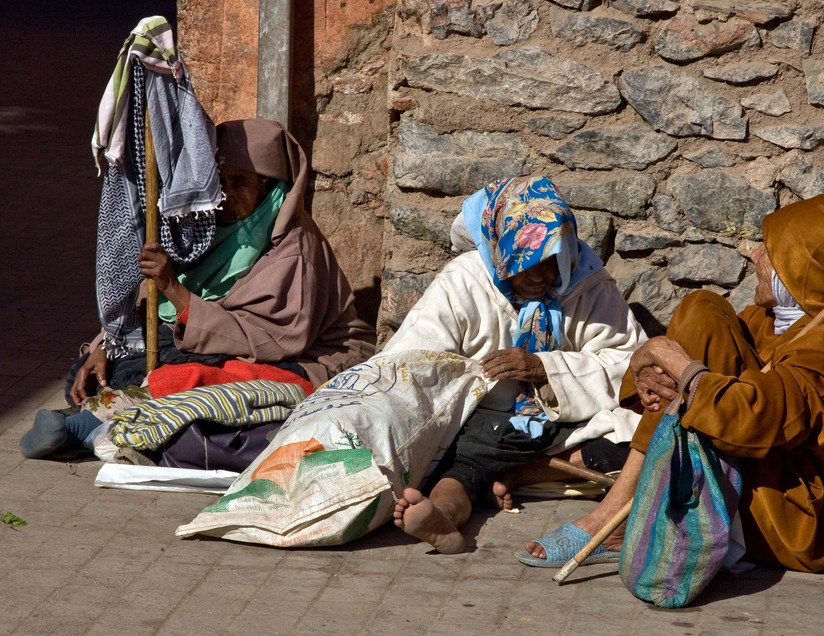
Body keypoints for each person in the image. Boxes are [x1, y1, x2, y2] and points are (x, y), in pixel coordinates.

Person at [518, 194, 824, 573]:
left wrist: (671, 360)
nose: (754, 255)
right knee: (703, 311)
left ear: (800, 271)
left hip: (803, 517)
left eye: (770, 252)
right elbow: (702, 352)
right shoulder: (772, 318)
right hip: (768, 470)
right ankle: (621, 509)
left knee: (693, 347)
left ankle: (613, 515)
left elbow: (752, 420)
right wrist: (647, 359)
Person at [20, 119, 377, 459]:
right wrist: (105, 344)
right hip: (205, 342)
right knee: (102, 366)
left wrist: (173, 287)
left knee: (199, 379)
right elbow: (148, 305)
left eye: (240, 183)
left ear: (271, 191)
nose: (224, 196)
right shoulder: (202, 231)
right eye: (217, 182)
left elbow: (271, 340)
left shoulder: (295, 251)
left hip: (301, 359)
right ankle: (101, 421)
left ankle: (88, 428)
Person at [388, 175, 647, 554]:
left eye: (552, 262)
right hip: (481, 424)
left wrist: (546, 369)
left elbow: (629, 365)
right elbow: (411, 362)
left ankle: (520, 474)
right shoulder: (463, 282)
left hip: (564, 427)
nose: (542, 275)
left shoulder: (587, 283)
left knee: (641, 437)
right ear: (502, 250)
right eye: (528, 263)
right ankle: (442, 514)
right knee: (463, 464)